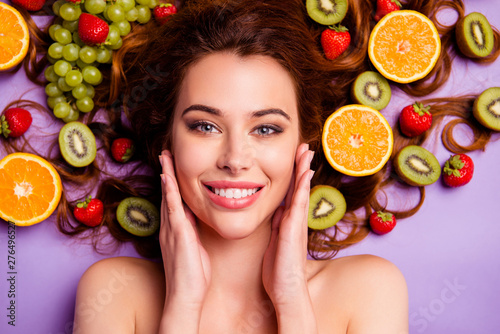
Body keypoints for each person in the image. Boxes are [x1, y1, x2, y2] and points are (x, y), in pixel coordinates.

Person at [70, 0, 411, 332]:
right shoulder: (111, 294)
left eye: (266, 129)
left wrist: (292, 304)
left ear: (301, 145)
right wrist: (182, 308)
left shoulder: (369, 291)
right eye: (205, 126)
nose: (234, 160)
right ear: (168, 140)